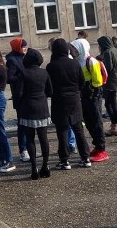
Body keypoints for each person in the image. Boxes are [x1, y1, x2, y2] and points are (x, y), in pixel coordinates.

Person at [46, 39, 91, 169]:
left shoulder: (51, 66)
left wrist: (52, 94)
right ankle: (85, 157)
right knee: (78, 129)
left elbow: (49, 87)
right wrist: (77, 91)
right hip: (75, 99)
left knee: (62, 131)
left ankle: (64, 160)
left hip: (59, 100)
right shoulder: (74, 63)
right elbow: (82, 81)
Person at [72, 38, 108, 163]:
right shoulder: (77, 62)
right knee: (88, 122)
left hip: (93, 95)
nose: (74, 51)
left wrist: (90, 92)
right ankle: (97, 146)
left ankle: (102, 149)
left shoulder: (91, 61)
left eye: (76, 49)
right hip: (85, 96)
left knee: (96, 122)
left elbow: (97, 82)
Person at [18, 48, 52, 180]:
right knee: (44, 138)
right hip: (42, 107)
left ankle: (34, 168)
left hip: (28, 108)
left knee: (30, 139)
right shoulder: (44, 73)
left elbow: (19, 93)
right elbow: (50, 91)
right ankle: (45, 165)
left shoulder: (23, 73)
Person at [6, 38, 29, 163]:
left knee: (30, 123)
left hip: (28, 93)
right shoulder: (11, 60)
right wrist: (23, 75)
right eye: (23, 46)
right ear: (18, 47)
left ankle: (30, 147)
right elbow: (9, 78)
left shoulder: (25, 56)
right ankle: (23, 149)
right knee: (22, 124)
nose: (25, 48)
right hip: (19, 95)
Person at [98, 36, 117, 137]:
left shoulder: (107, 53)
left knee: (110, 105)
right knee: (112, 104)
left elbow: (108, 68)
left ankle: (114, 127)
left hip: (110, 82)